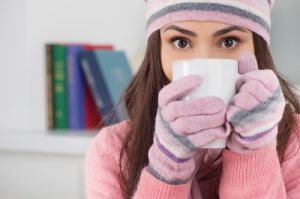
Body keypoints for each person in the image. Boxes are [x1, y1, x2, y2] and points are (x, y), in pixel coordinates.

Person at [84, 0, 300, 198]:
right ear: (157, 51)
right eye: (180, 42)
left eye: (228, 41)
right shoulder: (113, 150)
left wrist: (253, 153)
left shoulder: (296, 142)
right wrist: (168, 165)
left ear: (257, 48)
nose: (203, 60)